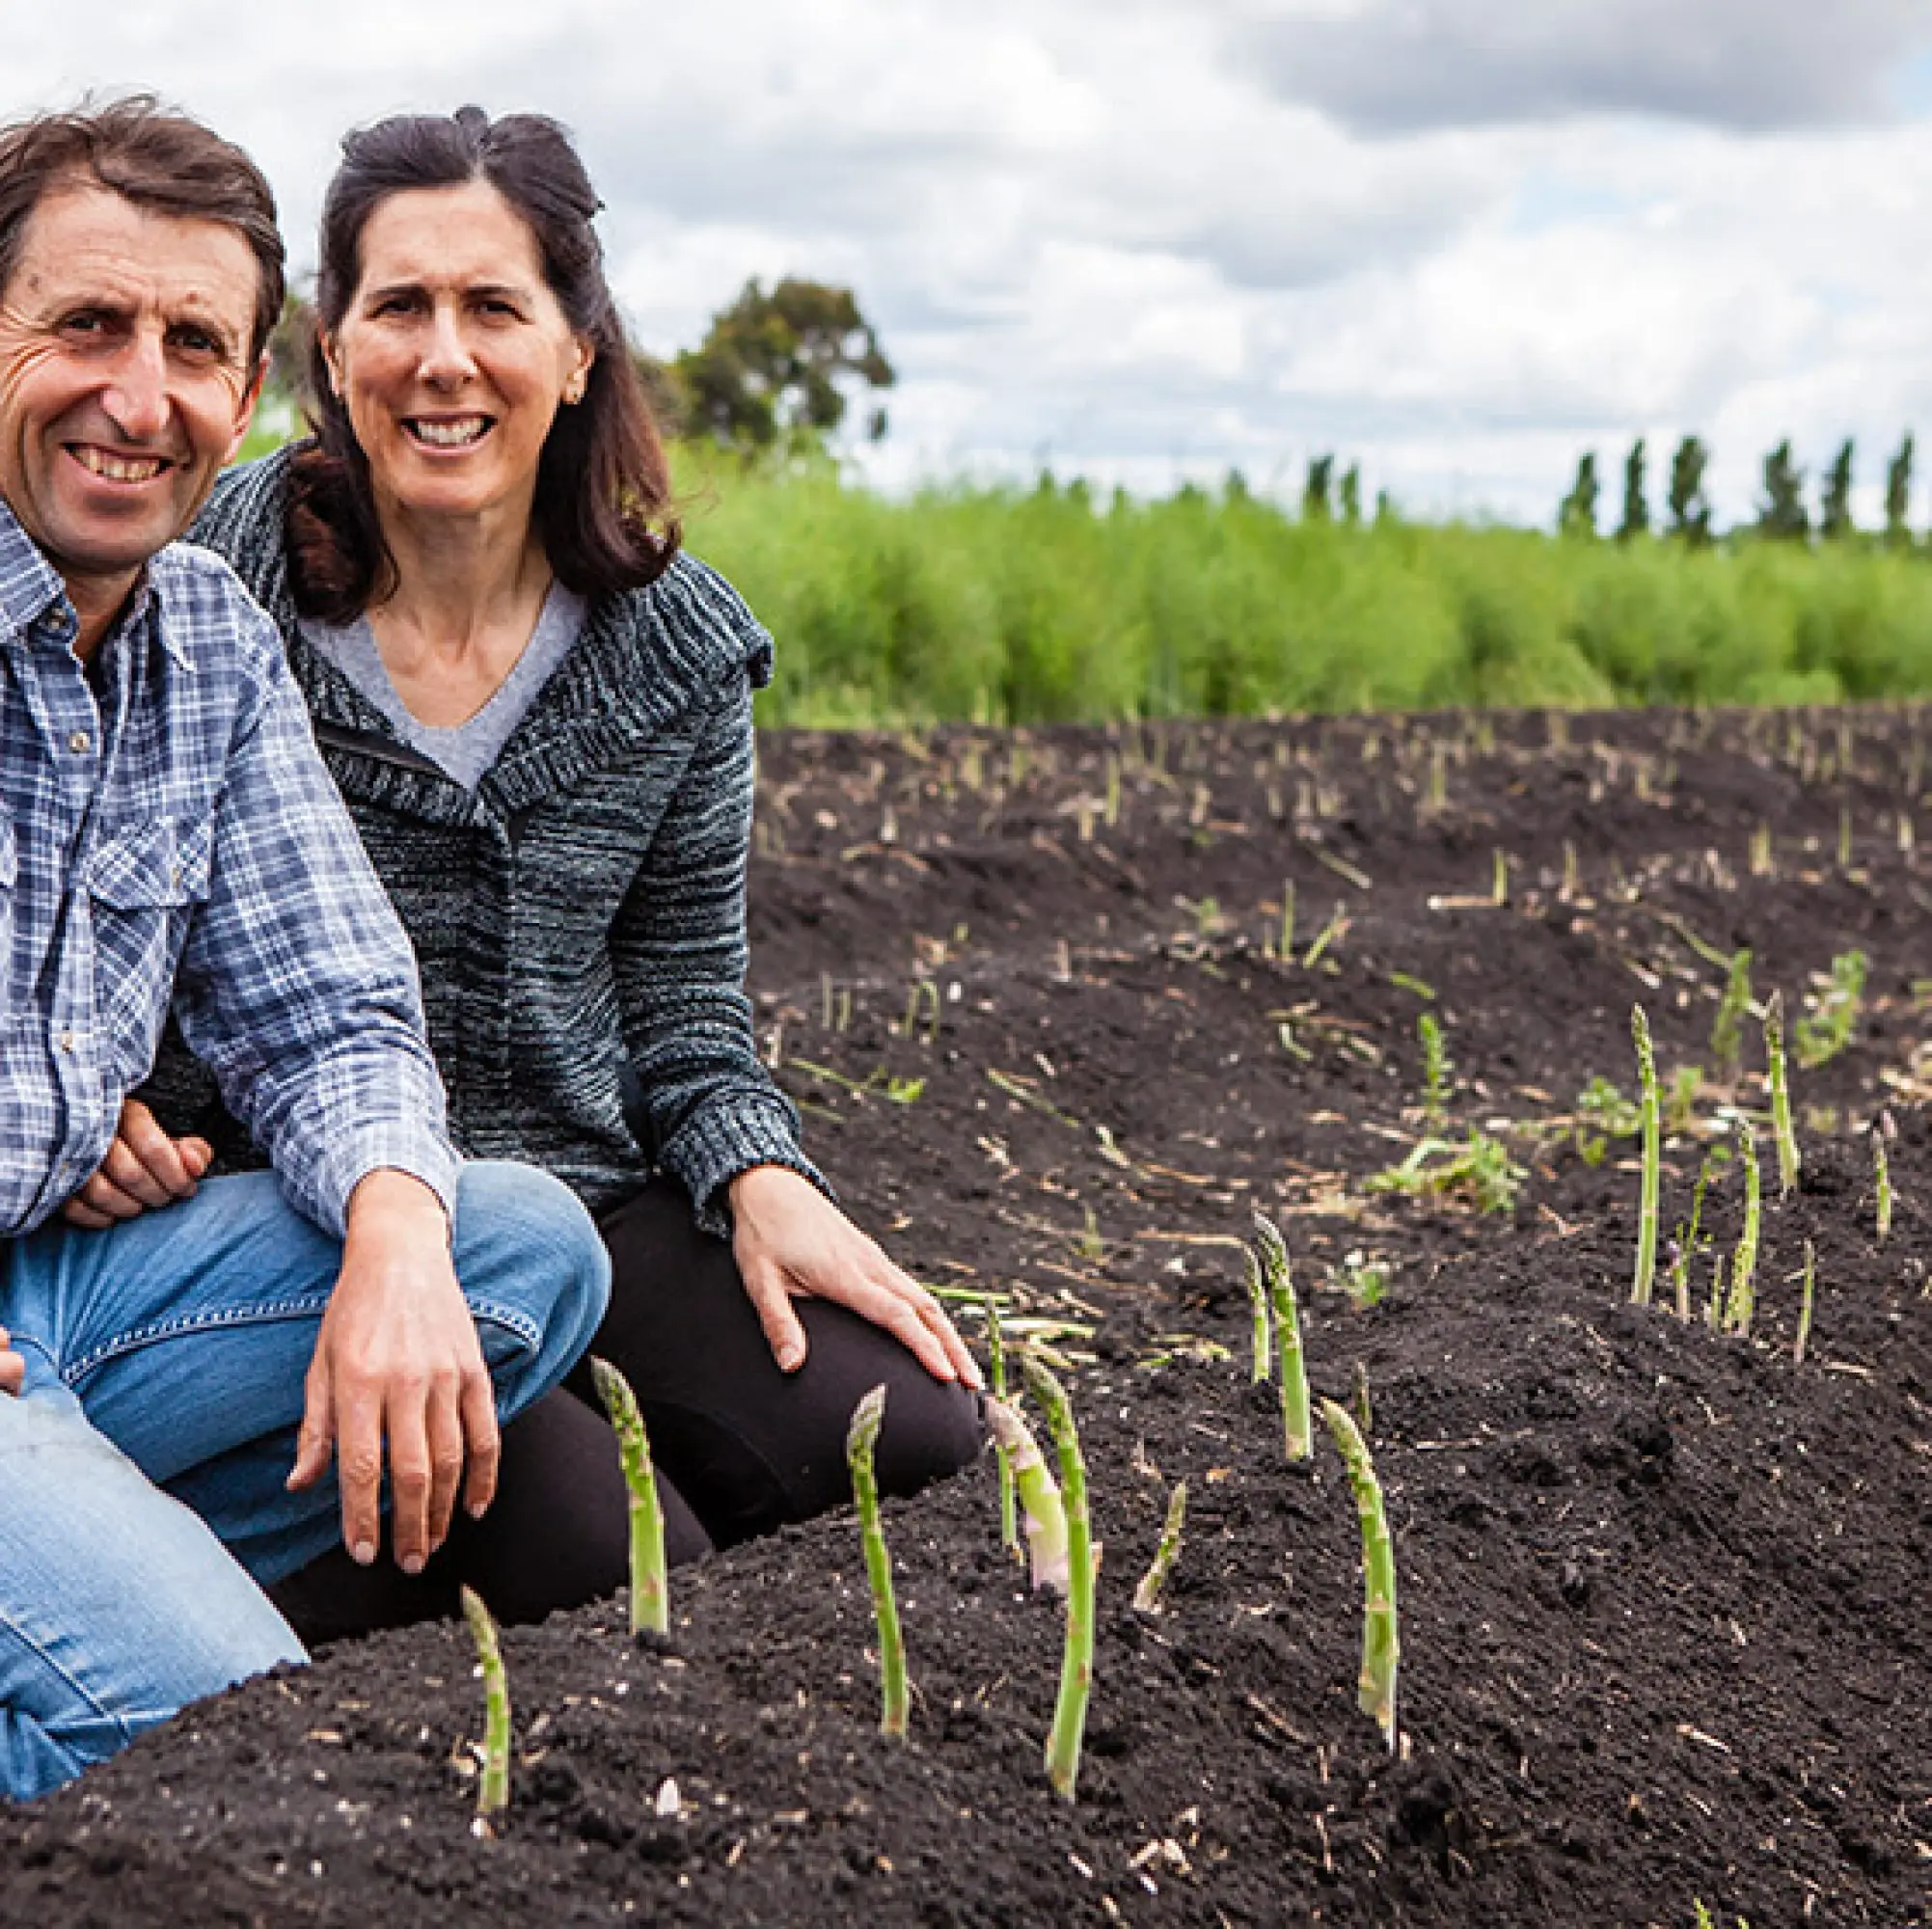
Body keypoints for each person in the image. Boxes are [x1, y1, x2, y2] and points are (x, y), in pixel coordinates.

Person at [110, 106, 984, 1641]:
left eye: (494, 308)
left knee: (905, 1435)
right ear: (333, 347)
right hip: (295, 1204)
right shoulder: (205, 585)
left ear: (577, 351)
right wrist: (99, 1095)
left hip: (584, 1198)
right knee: (619, 1564)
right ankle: (232, 1541)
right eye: (400, 306)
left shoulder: (676, 651)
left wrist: (765, 1179)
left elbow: (686, 1008)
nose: (443, 359)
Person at [0, 97, 609, 1800]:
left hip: (60, 1292)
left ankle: (88, 1559)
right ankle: (126, 1626)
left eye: (195, 345)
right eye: (86, 325)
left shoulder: (204, 636)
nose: (141, 399)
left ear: (253, 385)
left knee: (517, 1249)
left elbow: (330, 1009)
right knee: (229, 1733)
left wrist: (395, 1228)